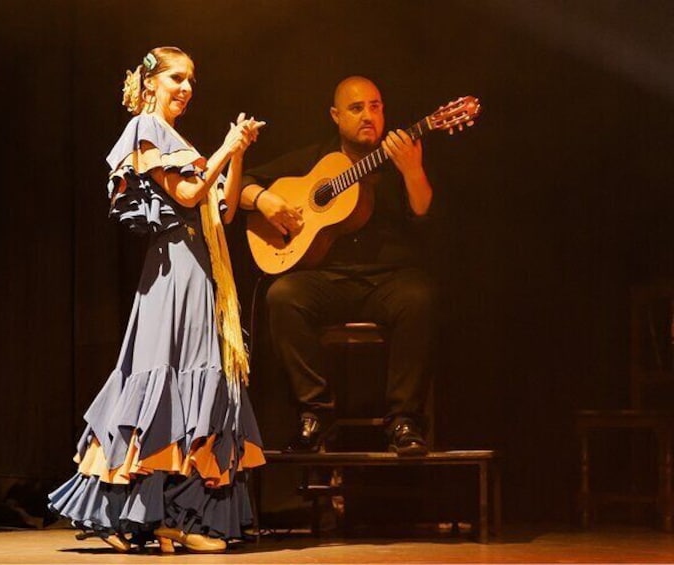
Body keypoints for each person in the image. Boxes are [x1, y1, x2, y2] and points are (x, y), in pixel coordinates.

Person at [48, 46, 266, 554]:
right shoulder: (145, 130)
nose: (187, 87)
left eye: (192, 79)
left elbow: (225, 209)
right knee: (164, 380)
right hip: (174, 273)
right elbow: (189, 197)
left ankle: (174, 516)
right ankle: (133, 513)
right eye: (176, 77)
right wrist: (220, 149)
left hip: (203, 270)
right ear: (151, 83)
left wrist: (236, 155)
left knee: (198, 383)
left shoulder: (177, 139)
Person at [240, 76, 435, 456]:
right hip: (327, 279)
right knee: (282, 296)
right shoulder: (316, 159)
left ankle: (404, 420)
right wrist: (264, 200)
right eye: (357, 108)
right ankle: (315, 412)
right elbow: (245, 182)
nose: (369, 116)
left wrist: (412, 170)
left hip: (388, 280)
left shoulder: (397, 157)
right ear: (336, 116)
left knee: (420, 297)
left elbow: (424, 214)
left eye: (376, 106)